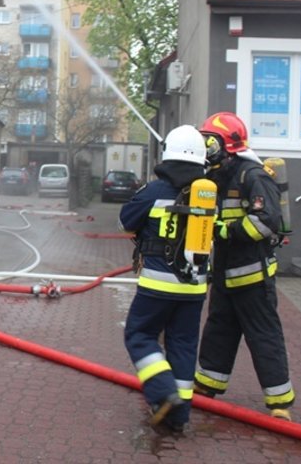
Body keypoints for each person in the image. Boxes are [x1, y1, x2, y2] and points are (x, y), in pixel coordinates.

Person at [193, 112, 295, 421]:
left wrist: (226, 230)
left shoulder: (253, 175)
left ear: (226, 144)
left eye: (210, 141)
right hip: (225, 274)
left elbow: (267, 222)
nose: (206, 147)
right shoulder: (220, 175)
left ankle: (279, 402)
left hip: (252, 276)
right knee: (218, 330)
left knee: (263, 336)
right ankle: (208, 384)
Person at [121, 125, 210, 433]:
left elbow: (126, 221)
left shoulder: (155, 191)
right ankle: (178, 415)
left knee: (139, 335)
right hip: (196, 285)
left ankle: (162, 392)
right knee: (183, 344)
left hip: (158, 283)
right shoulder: (209, 192)